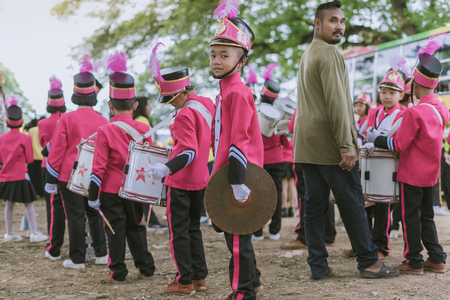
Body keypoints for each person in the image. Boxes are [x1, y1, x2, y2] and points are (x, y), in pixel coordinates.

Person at [293, 0, 398, 279]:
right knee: (352, 201)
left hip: (306, 145)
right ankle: (369, 262)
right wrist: (346, 145)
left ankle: (318, 265)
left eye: (341, 21)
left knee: (314, 205)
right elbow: (337, 103)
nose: (339, 26)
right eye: (332, 20)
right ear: (317, 24)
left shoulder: (308, 54)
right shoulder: (329, 53)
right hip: (329, 144)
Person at [368, 50, 449, 275]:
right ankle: (437, 258)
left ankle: (413, 261)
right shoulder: (442, 109)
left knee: (408, 218)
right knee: (427, 217)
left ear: (414, 84)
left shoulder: (414, 113)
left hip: (411, 175)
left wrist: (377, 138)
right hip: (431, 175)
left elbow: (399, 145)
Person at [148, 43, 213, 295]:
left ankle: (184, 280)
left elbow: (188, 151)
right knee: (194, 228)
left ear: (179, 94)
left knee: (178, 233)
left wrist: (166, 168)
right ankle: (199, 277)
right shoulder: (206, 103)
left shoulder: (184, 114)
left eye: (170, 99)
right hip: (201, 178)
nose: (169, 105)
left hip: (182, 180)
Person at [210, 1, 264, 299]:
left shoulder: (239, 92)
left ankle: (243, 292)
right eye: (214, 54)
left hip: (240, 176)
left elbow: (240, 141)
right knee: (236, 234)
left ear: (241, 60)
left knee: (237, 238)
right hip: (228, 174)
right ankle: (252, 281)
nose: (216, 60)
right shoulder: (225, 93)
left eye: (225, 55)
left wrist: (236, 181)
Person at [87, 52, 156, 283]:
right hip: (137, 188)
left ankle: (117, 272)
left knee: (114, 230)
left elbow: (98, 167)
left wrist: (92, 196)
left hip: (110, 189)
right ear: (135, 105)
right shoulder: (144, 130)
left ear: (110, 105)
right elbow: (150, 161)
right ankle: (146, 268)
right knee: (137, 228)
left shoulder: (105, 130)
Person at [45, 56, 108, 269]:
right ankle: (101, 254)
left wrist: (50, 177)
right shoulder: (102, 120)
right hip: (95, 175)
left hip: (68, 176)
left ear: (74, 95)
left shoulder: (66, 119)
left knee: (75, 216)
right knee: (94, 213)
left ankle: (78, 259)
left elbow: (56, 152)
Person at [344, 68, 405, 259]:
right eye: (384, 92)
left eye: (392, 93)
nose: (387, 96)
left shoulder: (402, 114)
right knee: (362, 206)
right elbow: (364, 133)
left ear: (401, 94)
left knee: (382, 207)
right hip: (368, 163)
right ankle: (363, 244)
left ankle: (380, 247)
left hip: (386, 168)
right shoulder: (376, 112)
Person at [280, 110, 336, 250]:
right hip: (326, 154)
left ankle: (304, 236)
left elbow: (292, 127)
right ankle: (328, 236)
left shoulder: (304, 103)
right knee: (326, 196)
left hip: (306, 154)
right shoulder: (326, 102)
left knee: (305, 196)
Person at [0, 97, 47, 243]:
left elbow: (1, 160)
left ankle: (9, 233)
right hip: (21, 175)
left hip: (6, 176)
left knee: (9, 204)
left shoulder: (1, 139)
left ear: (7, 120)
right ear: (21, 121)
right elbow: (30, 159)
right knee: (29, 204)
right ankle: (34, 233)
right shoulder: (25, 138)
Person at [252, 63, 288, 241]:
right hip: (278, 160)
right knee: (276, 195)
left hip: (260, 161)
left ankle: (257, 232)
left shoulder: (254, 111)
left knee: (258, 195)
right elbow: (285, 142)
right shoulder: (280, 114)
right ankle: (275, 231)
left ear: (261, 94)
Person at [39, 76, 67, 255]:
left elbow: (43, 145)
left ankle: (54, 244)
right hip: (66, 166)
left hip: (47, 166)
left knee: (52, 206)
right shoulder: (68, 119)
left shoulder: (42, 123)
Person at [132, 96, 169, 230]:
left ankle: (151, 220)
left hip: (138, 163)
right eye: (148, 105)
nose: (150, 107)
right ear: (142, 106)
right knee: (145, 193)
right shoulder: (143, 121)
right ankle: (152, 221)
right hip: (145, 161)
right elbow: (148, 144)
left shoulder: (136, 120)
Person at [281, 138, 296, 218]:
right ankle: (291, 207)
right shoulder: (293, 135)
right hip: (292, 160)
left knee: (284, 185)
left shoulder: (283, 134)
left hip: (284, 159)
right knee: (292, 184)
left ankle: (284, 208)